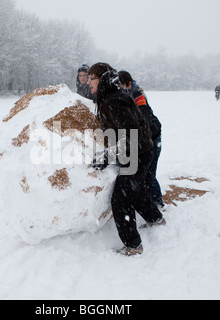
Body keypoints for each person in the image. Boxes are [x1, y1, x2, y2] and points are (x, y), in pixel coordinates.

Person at [88, 63, 165, 256]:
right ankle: (156, 219)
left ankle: (133, 245)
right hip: (140, 151)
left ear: (102, 78)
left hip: (137, 154)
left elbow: (131, 134)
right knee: (134, 192)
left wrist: (108, 155)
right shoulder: (111, 96)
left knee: (121, 199)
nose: (88, 82)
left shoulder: (113, 100)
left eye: (92, 78)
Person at [119, 71, 165, 211]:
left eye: (122, 86)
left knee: (149, 175)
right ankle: (150, 202)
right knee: (144, 176)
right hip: (144, 140)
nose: (120, 89)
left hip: (152, 139)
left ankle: (157, 203)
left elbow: (146, 117)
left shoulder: (138, 96)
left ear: (129, 83)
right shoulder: (126, 95)